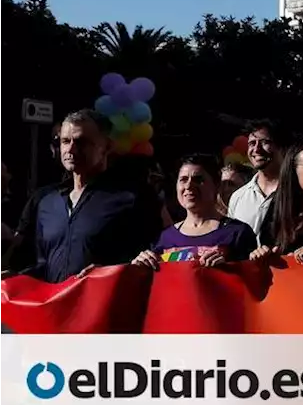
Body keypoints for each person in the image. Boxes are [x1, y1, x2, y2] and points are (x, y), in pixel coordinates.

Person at [23, 110, 162, 282]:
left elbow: (157, 255)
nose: (71, 149)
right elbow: (42, 264)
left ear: (107, 147)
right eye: (65, 141)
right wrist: (15, 278)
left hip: (107, 304)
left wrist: (110, 271)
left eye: (81, 142)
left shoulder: (133, 196)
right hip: (55, 306)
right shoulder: (47, 202)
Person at [131, 155, 257, 269]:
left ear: (216, 185)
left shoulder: (238, 232)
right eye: (183, 180)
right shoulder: (164, 239)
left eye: (198, 179)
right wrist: (139, 267)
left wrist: (229, 269)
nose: (189, 186)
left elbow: (253, 281)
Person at [227, 120, 286, 237]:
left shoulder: (297, 192)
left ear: (282, 148)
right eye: (252, 143)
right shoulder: (238, 197)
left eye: (265, 142)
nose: (256, 149)